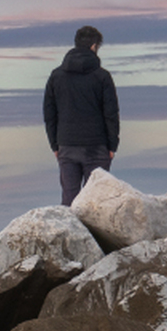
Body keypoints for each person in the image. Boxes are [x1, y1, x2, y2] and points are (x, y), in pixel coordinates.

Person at [43, 24, 120, 205]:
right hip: (97, 145)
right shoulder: (102, 77)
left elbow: (49, 113)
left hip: (66, 145)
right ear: (94, 46)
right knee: (96, 201)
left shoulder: (56, 76)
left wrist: (55, 145)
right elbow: (111, 113)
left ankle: (70, 233)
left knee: (70, 199)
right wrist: (112, 145)